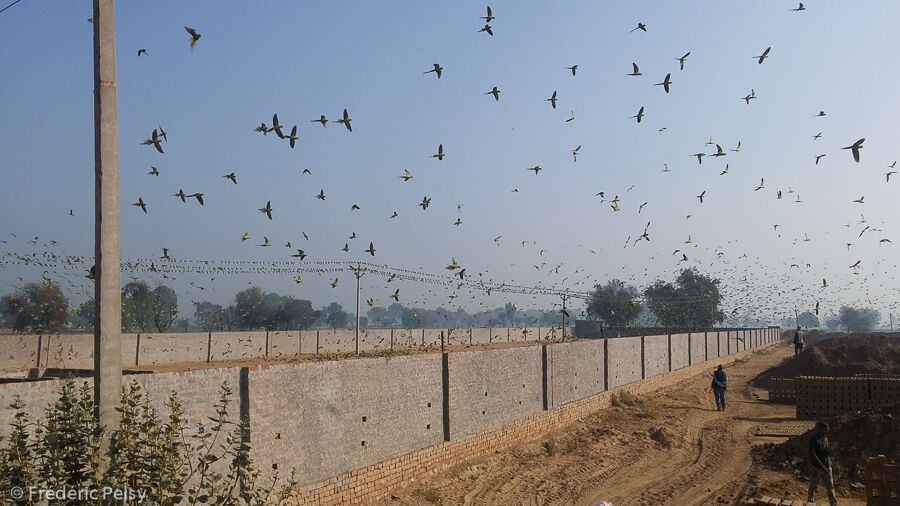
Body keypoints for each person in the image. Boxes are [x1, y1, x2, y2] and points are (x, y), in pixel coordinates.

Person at [808, 421, 838, 505]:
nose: (827, 431)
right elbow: (813, 454)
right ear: (820, 429)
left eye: (827, 430)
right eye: (825, 430)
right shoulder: (813, 439)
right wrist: (821, 466)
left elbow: (826, 452)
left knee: (830, 485)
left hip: (827, 466)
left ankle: (833, 503)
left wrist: (828, 464)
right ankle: (810, 501)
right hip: (816, 467)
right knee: (813, 485)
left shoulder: (825, 438)